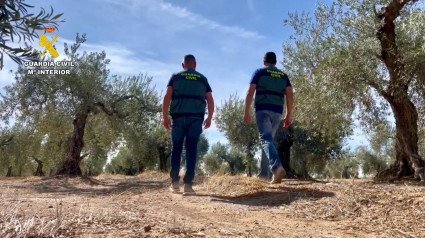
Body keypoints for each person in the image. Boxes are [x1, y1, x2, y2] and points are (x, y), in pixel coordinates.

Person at [162, 54, 214, 195]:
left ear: (183, 65)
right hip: (196, 119)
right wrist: (209, 117)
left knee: (176, 149)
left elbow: (167, 95)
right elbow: (210, 98)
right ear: (195, 65)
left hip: (178, 117)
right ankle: (188, 186)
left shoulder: (176, 77)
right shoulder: (202, 79)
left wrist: (164, 116)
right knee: (191, 150)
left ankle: (174, 183)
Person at [244, 52, 294, 184]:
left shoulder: (259, 72)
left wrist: (246, 111)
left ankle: (276, 166)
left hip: (263, 109)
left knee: (265, 139)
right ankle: (263, 175)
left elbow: (250, 92)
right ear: (276, 62)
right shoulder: (283, 76)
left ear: (264, 62)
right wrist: (289, 114)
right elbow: (290, 94)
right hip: (277, 112)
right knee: (268, 141)